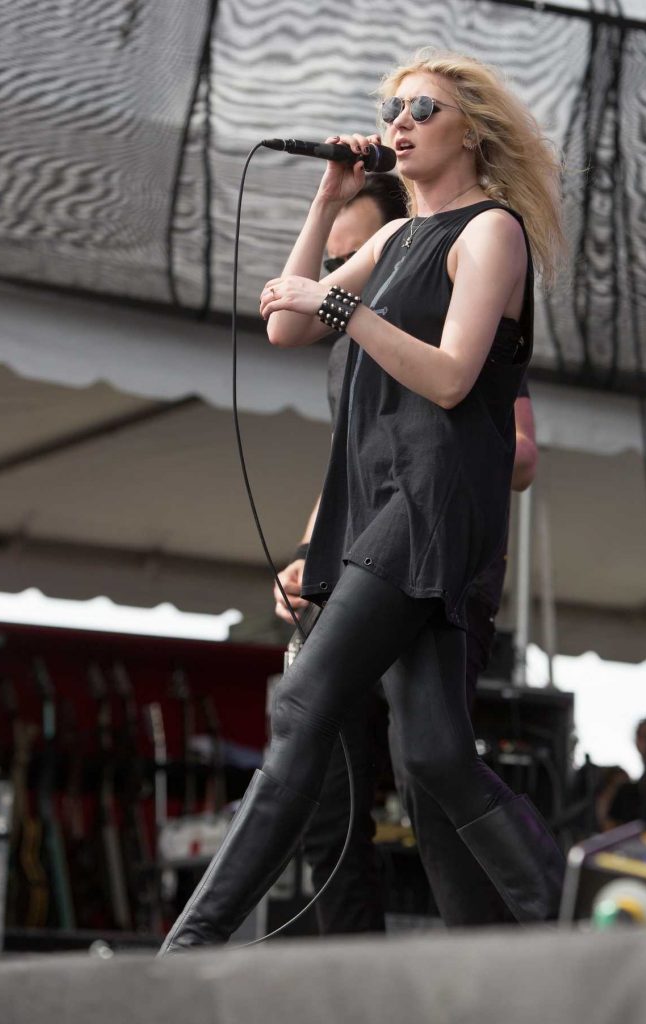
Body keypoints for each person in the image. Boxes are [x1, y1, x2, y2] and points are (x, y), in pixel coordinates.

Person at [159, 49, 565, 954]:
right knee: (431, 756)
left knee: (303, 704)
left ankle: (189, 946)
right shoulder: (387, 238)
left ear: (474, 128)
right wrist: (327, 198)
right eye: (391, 108)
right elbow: (286, 322)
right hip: (375, 508)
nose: (400, 120)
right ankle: (567, 922)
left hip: (432, 506)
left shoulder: (486, 230)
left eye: (422, 105)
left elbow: (455, 378)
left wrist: (343, 311)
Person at [275, 179, 538, 931]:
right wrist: (305, 552)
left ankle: (500, 947)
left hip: (429, 552)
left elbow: (513, 449)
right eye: (336, 258)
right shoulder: (351, 313)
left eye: (353, 251)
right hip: (355, 556)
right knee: (327, 784)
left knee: (428, 763)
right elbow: (352, 460)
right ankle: (349, 978)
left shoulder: (455, 287)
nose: (341, 267)